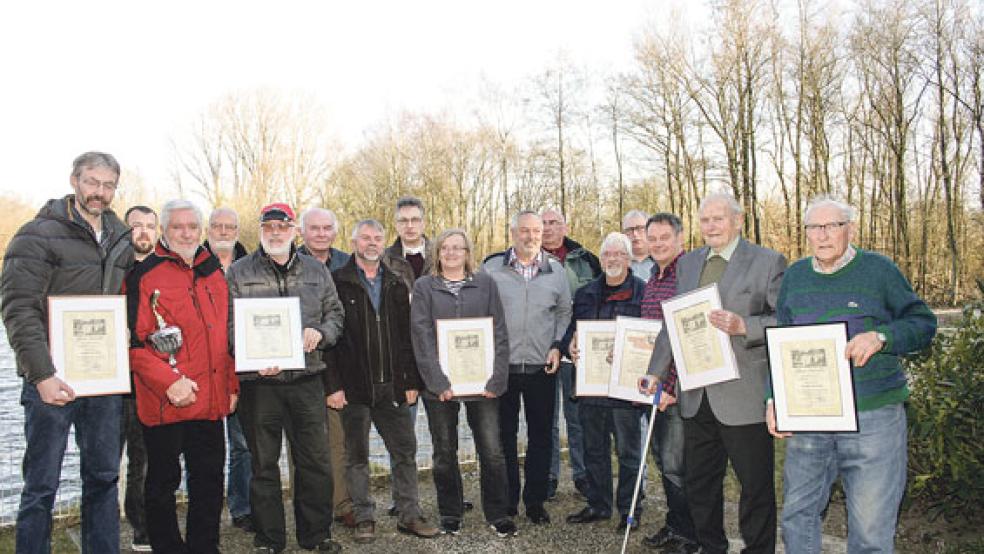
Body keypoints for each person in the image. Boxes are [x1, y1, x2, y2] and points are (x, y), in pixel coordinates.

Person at [768, 197, 936, 553]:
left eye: (833, 226)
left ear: (851, 229)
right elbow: (781, 342)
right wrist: (774, 399)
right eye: (815, 227)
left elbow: (923, 323)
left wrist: (882, 337)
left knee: (871, 529)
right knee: (797, 516)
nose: (823, 235)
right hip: (810, 416)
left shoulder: (879, 270)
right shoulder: (795, 276)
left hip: (872, 416)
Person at [1, 152, 133, 554]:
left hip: (104, 381)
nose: (100, 192)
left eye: (108, 185)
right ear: (74, 180)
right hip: (51, 380)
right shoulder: (36, 234)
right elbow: (18, 308)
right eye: (92, 182)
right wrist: (41, 374)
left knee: (104, 479)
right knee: (41, 484)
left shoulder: (121, 235)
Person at [644, 193, 786, 554]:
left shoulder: (768, 261)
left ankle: (758, 549)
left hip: (743, 395)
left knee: (754, 486)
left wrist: (745, 326)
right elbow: (672, 324)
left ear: (738, 220)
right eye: (704, 220)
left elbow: (784, 321)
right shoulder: (689, 263)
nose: (710, 226)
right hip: (697, 395)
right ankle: (711, 547)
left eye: (718, 219)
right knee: (700, 483)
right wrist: (655, 372)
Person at [226, 203, 345, 554]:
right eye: (269, 227)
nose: (275, 233)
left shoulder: (315, 270)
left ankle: (316, 535)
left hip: (307, 379)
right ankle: (269, 539)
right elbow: (230, 325)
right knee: (262, 464)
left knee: (315, 461)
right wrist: (250, 355)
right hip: (259, 385)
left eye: (282, 226)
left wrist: (321, 333)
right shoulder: (238, 271)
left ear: (294, 230)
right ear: (261, 231)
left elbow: (335, 314)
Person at [126, 199, 239, 554]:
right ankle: (167, 547)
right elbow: (133, 342)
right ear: (164, 231)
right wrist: (168, 382)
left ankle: (205, 546)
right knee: (162, 482)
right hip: (165, 400)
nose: (186, 233)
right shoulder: (143, 275)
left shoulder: (213, 271)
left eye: (192, 226)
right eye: (178, 227)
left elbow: (225, 336)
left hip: (209, 399)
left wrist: (231, 384)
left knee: (208, 480)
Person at [325, 219, 440, 544]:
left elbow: (408, 338)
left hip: (393, 386)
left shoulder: (396, 283)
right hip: (354, 389)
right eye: (365, 238)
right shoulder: (337, 282)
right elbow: (329, 342)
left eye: (377, 238)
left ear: (383, 242)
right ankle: (364, 517)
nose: (372, 243)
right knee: (356, 456)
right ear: (354, 241)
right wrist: (333, 386)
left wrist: (411, 380)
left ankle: (409, 514)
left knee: (404, 451)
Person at [410, 229, 517, 537]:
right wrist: (437, 381)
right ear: (437, 252)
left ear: (468, 253)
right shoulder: (424, 287)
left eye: (459, 248)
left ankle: (497, 513)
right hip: (439, 387)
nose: (453, 253)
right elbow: (421, 336)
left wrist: (496, 379)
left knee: (492, 451)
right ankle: (450, 512)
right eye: (446, 247)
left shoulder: (485, 283)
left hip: (482, 384)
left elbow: (499, 332)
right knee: (444, 452)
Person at [483, 210, 573, 526]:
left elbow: (564, 313)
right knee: (504, 436)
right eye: (524, 230)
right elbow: (480, 315)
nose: (531, 236)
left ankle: (535, 502)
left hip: (541, 367)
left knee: (541, 436)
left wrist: (557, 346)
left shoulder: (556, 271)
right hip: (503, 367)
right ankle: (508, 499)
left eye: (536, 231)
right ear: (512, 233)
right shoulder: (491, 269)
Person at [561, 232, 646, 531]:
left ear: (629, 258)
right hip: (591, 387)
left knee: (628, 452)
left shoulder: (642, 293)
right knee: (593, 449)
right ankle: (599, 504)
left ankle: (630, 509)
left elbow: (650, 337)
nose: (613, 259)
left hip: (625, 388)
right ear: (602, 258)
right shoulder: (585, 293)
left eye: (619, 254)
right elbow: (573, 330)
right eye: (608, 254)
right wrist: (569, 345)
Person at [638, 213, 698, 554]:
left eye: (665, 238)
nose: (658, 243)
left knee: (677, 463)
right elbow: (651, 336)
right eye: (653, 238)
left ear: (680, 239)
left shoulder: (686, 276)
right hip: (655, 388)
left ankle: (690, 535)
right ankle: (676, 524)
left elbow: (682, 334)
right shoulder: (652, 277)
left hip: (675, 389)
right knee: (663, 458)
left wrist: (670, 386)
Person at [297, 206, 355, 528]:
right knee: (303, 444)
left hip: (339, 363)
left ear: (335, 232)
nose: (320, 234)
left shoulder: (348, 263)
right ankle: (308, 507)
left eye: (326, 228)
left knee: (338, 440)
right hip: (300, 367)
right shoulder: (288, 263)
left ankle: (341, 502)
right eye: (314, 228)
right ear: (302, 232)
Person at [540, 207, 599, 501]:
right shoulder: (528, 260)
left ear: (565, 226)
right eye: (544, 223)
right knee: (546, 418)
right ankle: (548, 476)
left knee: (577, 418)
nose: (549, 228)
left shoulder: (586, 259)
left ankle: (582, 475)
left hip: (579, 350)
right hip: (544, 349)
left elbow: (601, 299)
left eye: (554, 223)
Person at [203, 206, 255, 534]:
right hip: (203, 369)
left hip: (243, 367)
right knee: (205, 447)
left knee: (243, 443)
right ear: (209, 229)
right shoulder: (194, 265)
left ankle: (242, 506)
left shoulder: (251, 267)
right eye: (218, 226)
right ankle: (205, 509)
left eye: (230, 226)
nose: (224, 231)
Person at [121, 204, 158, 552]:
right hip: (107, 379)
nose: (144, 232)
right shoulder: (110, 269)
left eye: (150, 225)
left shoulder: (161, 272)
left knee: (142, 460)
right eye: (137, 226)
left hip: (145, 381)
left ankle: (142, 526)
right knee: (102, 465)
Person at [622, 210, 655, 281]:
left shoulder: (666, 262)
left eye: (640, 228)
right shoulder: (618, 263)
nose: (635, 234)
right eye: (629, 230)